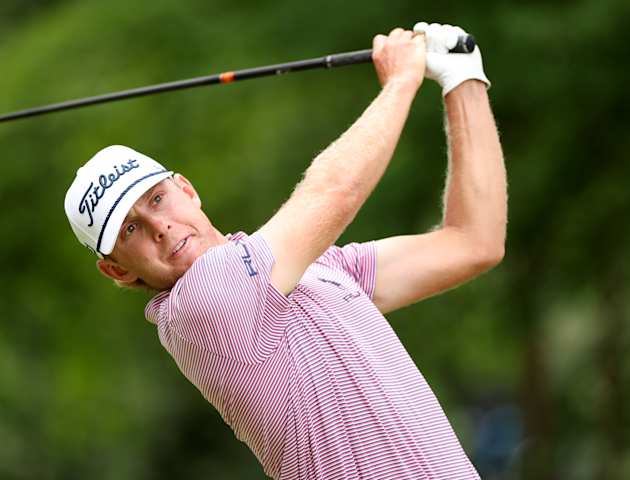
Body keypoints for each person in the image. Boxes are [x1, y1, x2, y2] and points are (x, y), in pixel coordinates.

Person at [64, 22, 505, 480]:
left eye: (157, 199)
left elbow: (474, 242)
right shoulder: (197, 306)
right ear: (116, 270)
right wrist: (402, 81)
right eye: (131, 228)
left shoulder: (319, 269)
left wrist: (462, 79)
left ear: (186, 189)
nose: (160, 227)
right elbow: (333, 193)